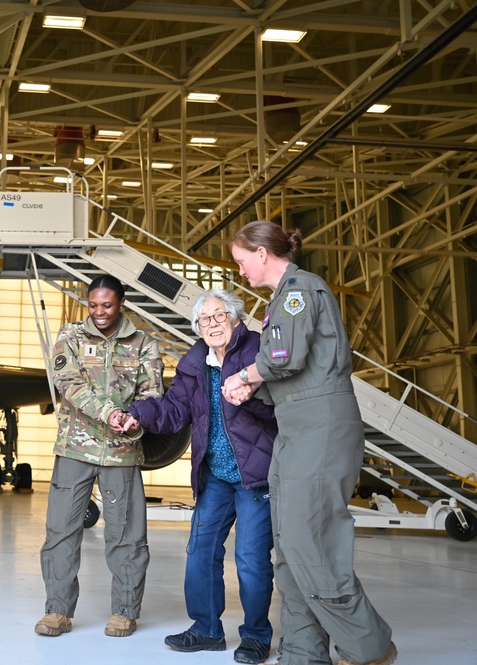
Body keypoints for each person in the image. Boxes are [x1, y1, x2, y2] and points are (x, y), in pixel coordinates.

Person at [221, 221, 396, 665]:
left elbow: (283, 356)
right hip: (296, 424)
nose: (239, 271)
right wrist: (251, 386)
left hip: (320, 425)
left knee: (310, 540)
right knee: (287, 543)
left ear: (261, 254)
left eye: (241, 261)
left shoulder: (300, 289)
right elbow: (289, 366)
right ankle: (303, 652)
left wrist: (243, 376)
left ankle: (369, 647)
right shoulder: (283, 297)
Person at [119, 289, 278, 664]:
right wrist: (138, 413)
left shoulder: (258, 351)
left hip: (254, 475)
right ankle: (207, 629)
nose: (212, 324)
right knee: (200, 552)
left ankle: (256, 635)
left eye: (219, 316)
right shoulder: (195, 360)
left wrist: (250, 398)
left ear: (236, 318)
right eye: (204, 319)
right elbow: (175, 411)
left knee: (252, 559)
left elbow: (281, 411)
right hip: (215, 475)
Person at [34, 274, 164, 639]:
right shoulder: (71, 337)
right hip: (76, 447)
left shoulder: (144, 344)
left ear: (121, 303)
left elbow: (152, 395)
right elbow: (69, 385)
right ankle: (57, 611)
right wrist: (110, 413)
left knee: (127, 535)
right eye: (93, 305)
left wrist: (134, 419)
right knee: (61, 531)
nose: (99, 312)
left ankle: (124, 611)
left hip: (122, 452)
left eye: (107, 305)